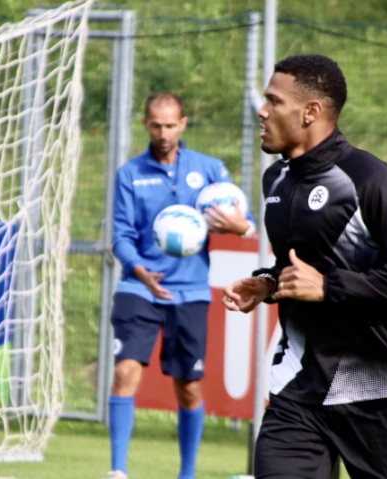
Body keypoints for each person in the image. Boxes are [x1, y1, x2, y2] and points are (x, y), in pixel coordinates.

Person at [222, 54, 387, 479]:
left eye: (273, 101)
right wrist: (269, 283)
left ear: (310, 111)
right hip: (298, 387)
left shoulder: (372, 181)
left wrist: (328, 286)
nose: (262, 111)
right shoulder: (276, 181)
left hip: (375, 391)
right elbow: (302, 263)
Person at [103, 92, 256, 479]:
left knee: (188, 387)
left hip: (190, 292)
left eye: (171, 125)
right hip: (138, 287)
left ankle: (186, 475)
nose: (163, 132)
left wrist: (242, 226)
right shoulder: (130, 173)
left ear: (184, 124)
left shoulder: (208, 170)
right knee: (124, 371)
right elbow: (120, 235)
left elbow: (244, 217)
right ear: (145, 124)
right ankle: (118, 471)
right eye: (156, 125)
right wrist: (138, 270)